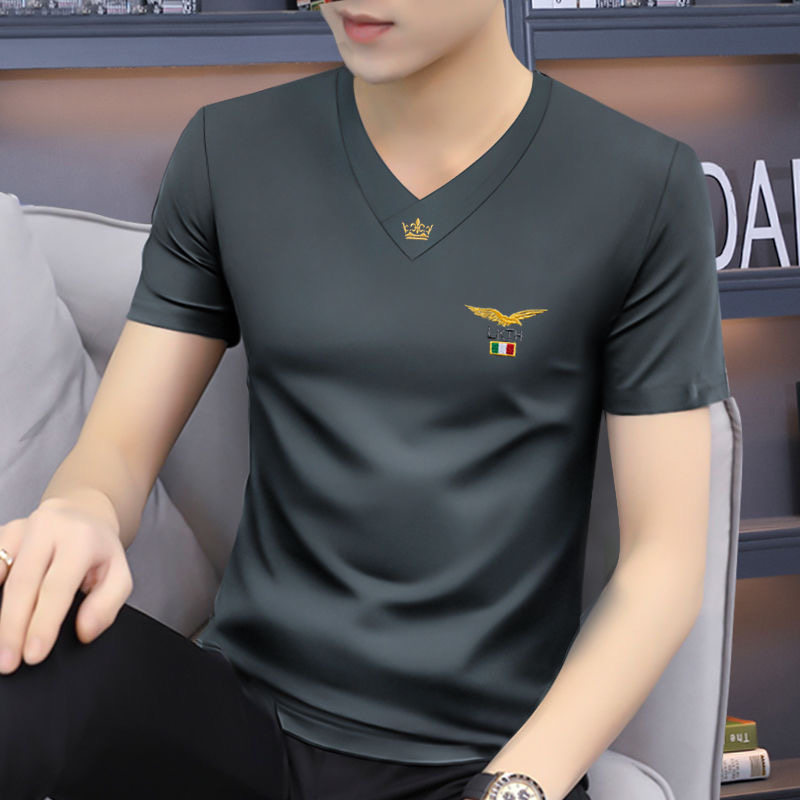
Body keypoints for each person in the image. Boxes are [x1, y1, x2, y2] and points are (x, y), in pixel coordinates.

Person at [0, 1, 730, 799]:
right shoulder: (228, 150)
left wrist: (520, 785)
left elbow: (663, 563)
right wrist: (82, 508)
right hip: (244, 725)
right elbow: (115, 452)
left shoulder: (641, 186)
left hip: (475, 760)